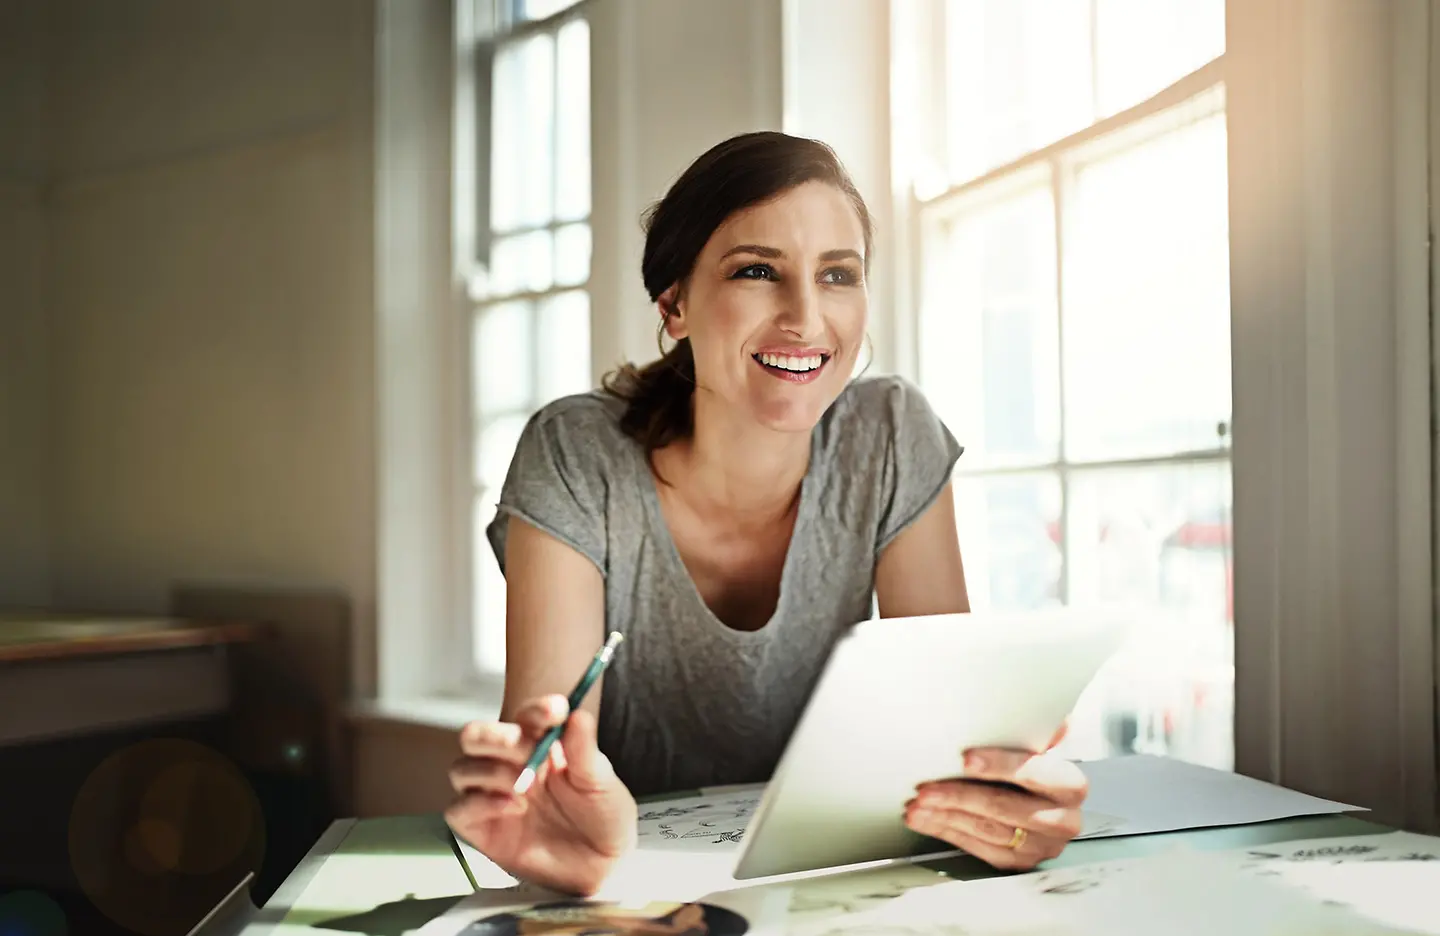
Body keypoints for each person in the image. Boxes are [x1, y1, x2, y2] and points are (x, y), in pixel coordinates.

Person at [445, 131, 1089, 896]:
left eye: (837, 275)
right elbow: (544, 760)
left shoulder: (891, 434)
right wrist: (556, 830)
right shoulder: (575, 452)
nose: (807, 319)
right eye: (757, 271)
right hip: (633, 893)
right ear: (675, 304)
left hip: (841, 885)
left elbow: (955, 746)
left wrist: (1006, 802)